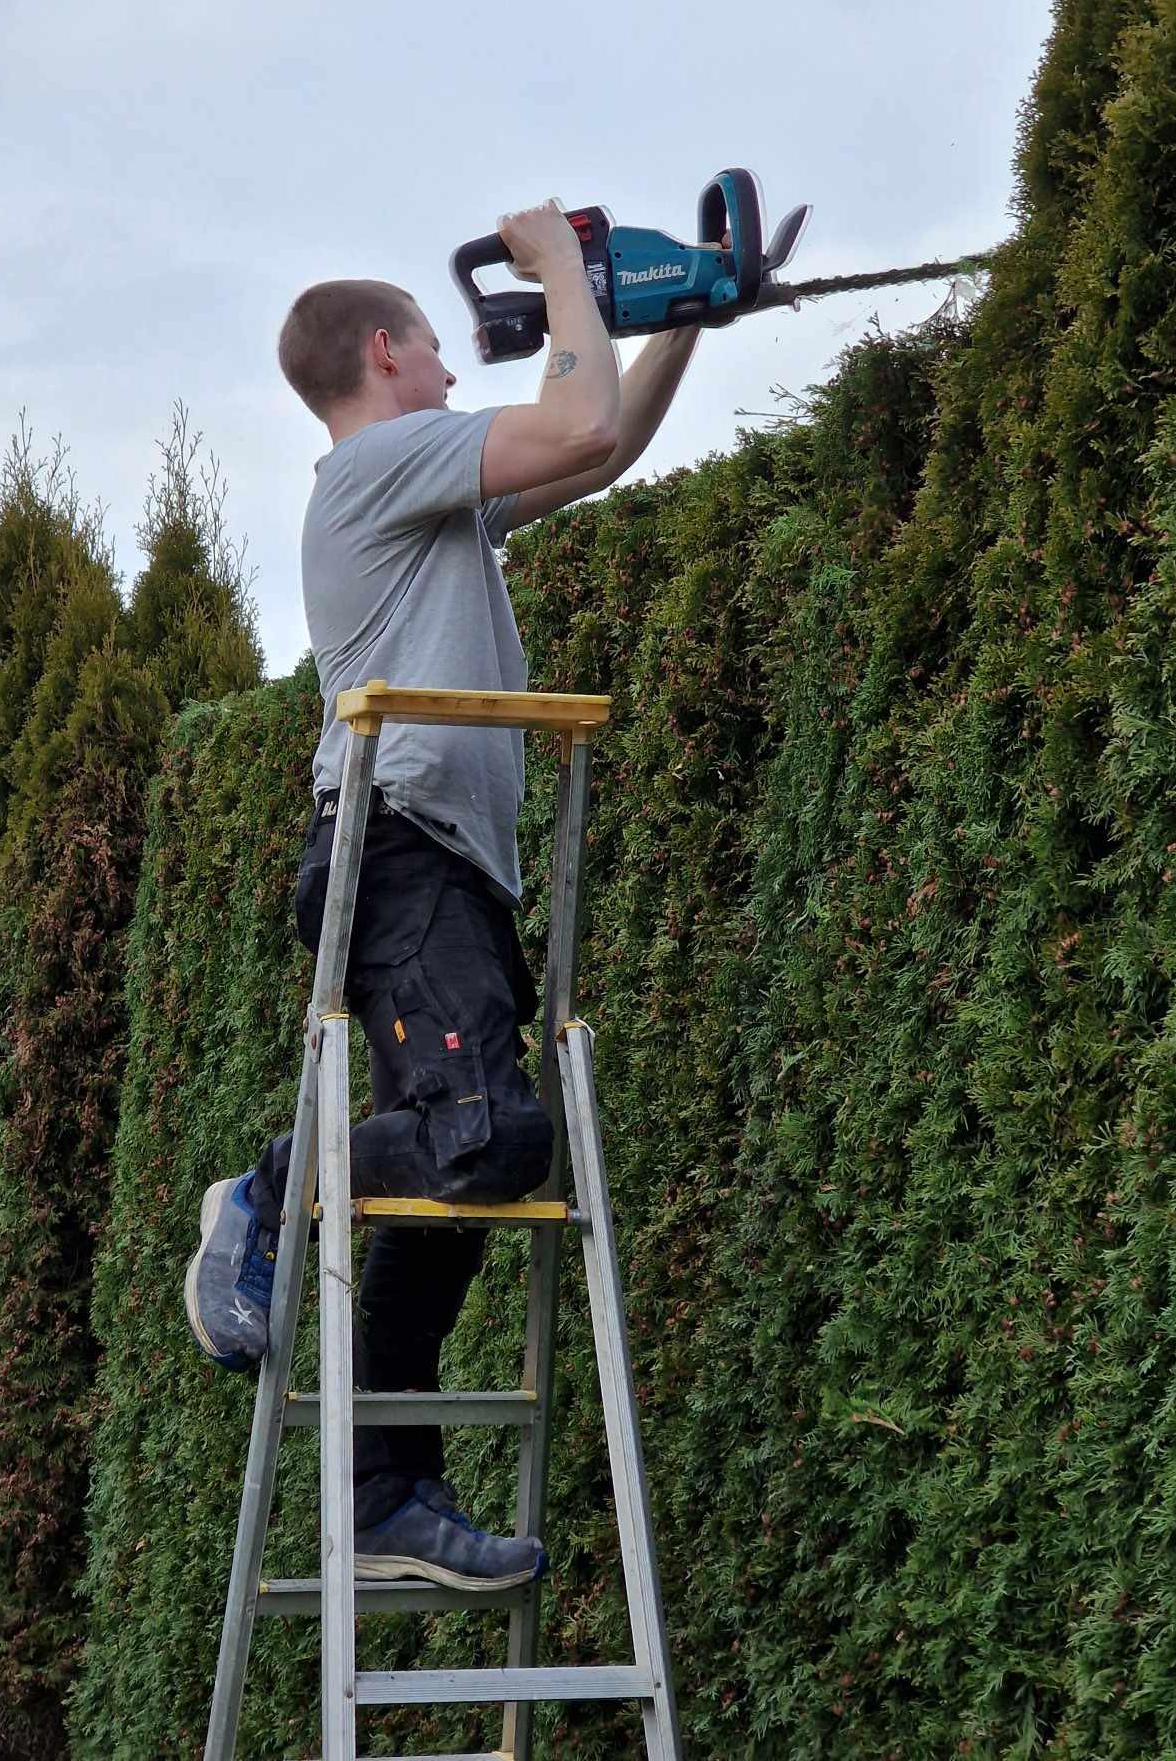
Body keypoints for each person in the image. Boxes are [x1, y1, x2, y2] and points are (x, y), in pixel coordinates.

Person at [184, 200, 708, 1591]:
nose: (451, 369)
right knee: (481, 1143)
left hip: (445, 871)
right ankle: (269, 1191)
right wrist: (560, 279)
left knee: (449, 1192)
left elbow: (601, 447)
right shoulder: (374, 466)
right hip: (402, 851)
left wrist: (675, 327)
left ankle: (383, 1494)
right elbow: (573, 423)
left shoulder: (419, 490)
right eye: (434, 347)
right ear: (383, 353)